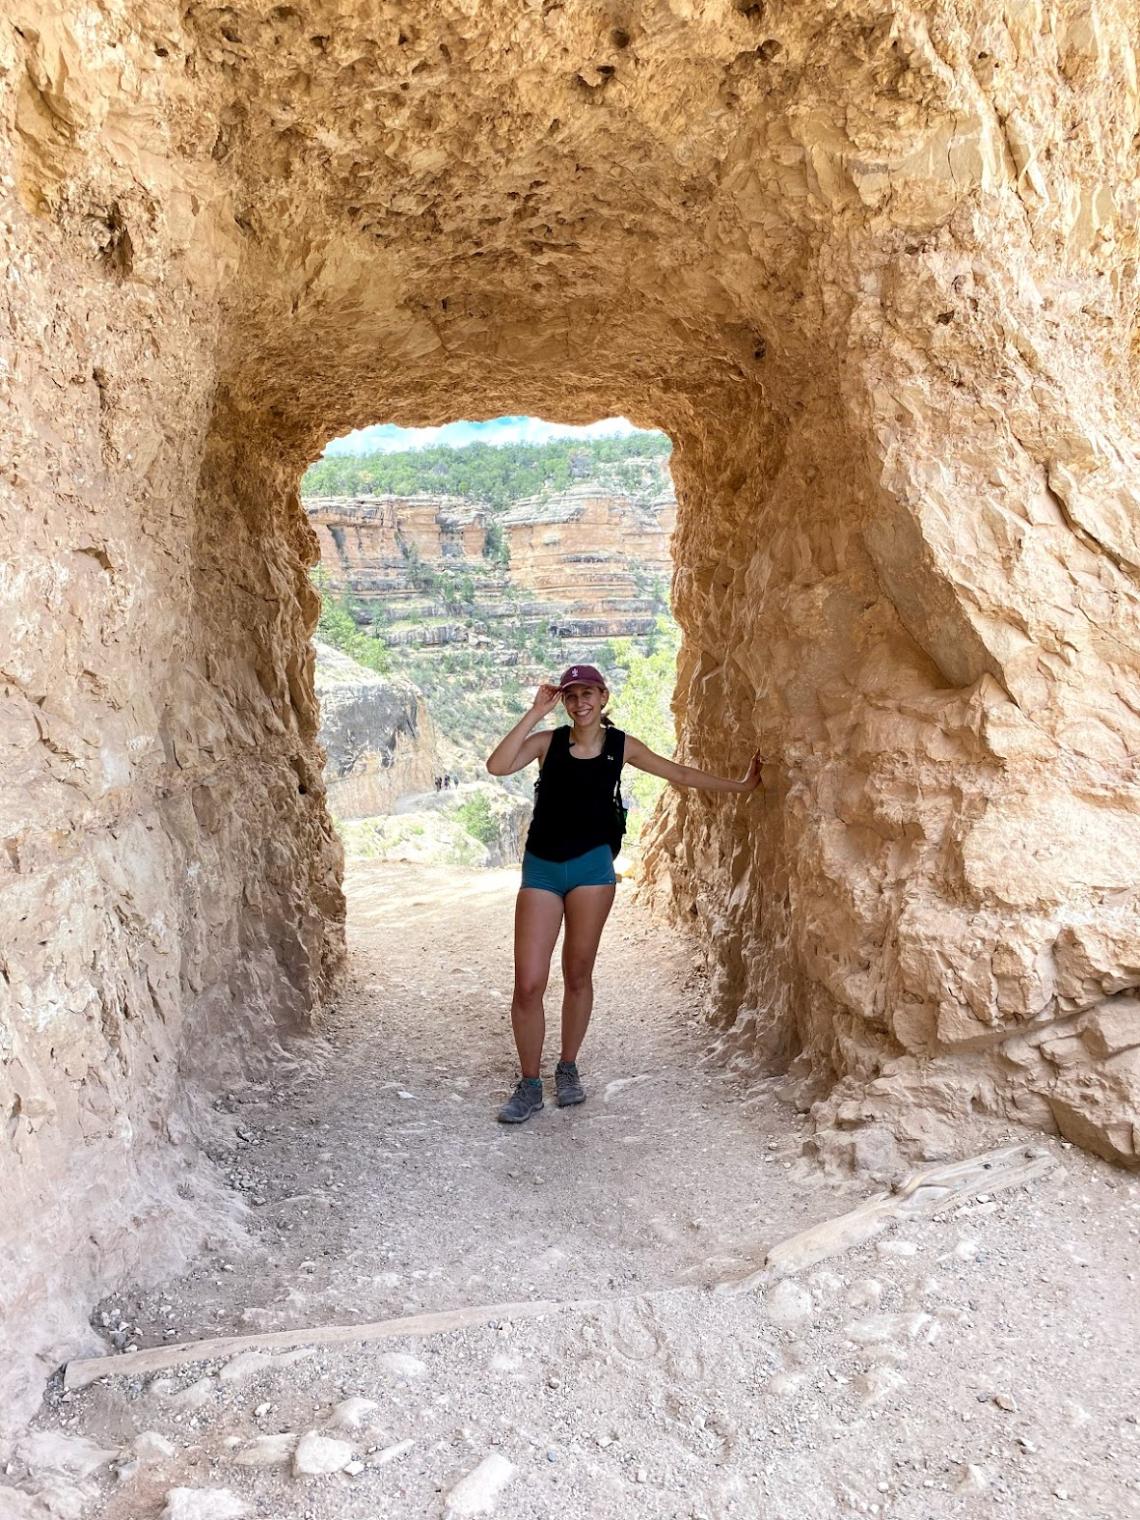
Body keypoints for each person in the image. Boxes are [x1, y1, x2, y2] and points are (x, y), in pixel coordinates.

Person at [485, 662, 763, 1124]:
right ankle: (529, 1084)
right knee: (529, 981)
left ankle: (567, 1068)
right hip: (542, 869)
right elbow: (497, 765)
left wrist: (741, 785)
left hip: (593, 869)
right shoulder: (547, 743)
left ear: (604, 697)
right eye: (572, 696)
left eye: (588, 693)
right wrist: (536, 711)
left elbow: (681, 775)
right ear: (565, 702)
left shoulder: (622, 747)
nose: (580, 703)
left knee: (577, 972)